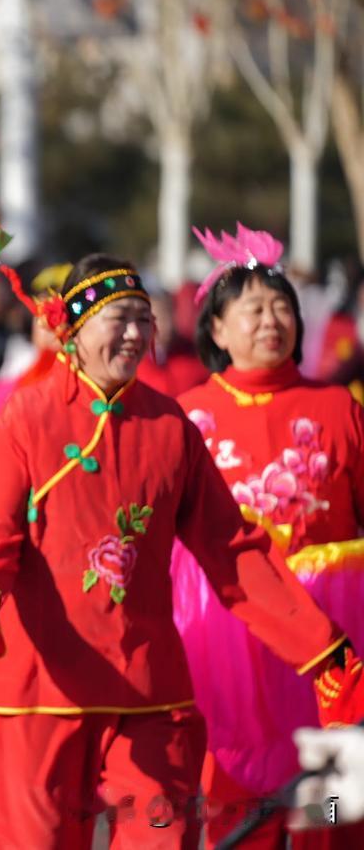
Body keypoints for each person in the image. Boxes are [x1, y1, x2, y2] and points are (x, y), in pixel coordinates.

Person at [0, 251, 352, 849]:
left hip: (148, 684)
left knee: (163, 835)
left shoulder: (170, 426)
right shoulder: (29, 417)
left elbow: (233, 551)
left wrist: (321, 644)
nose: (136, 333)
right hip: (42, 688)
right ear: (72, 330)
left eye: (145, 319)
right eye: (119, 318)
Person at [171, 224, 364, 848]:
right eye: (251, 309)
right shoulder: (185, 414)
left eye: (282, 306)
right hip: (228, 619)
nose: (270, 320)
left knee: (331, 784)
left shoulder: (339, 405)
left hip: (332, 613)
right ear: (217, 329)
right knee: (236, 766)